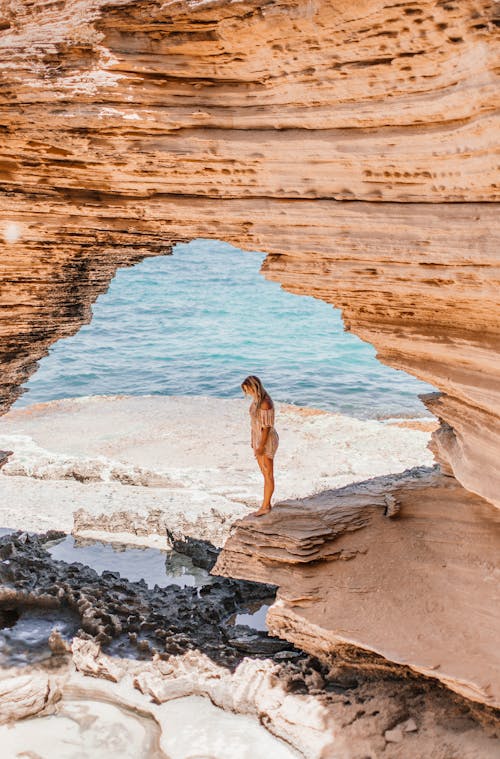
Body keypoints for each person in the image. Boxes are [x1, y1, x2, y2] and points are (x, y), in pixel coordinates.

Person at [241, 375, 279, 516]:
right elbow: (255, 424)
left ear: (254, 387)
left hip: (266, 442)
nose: (247, 393)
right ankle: (265, 504)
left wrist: (261, 446)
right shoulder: (257, 400)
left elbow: (267, 428)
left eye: (248, 390)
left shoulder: (265, 403)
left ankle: (266, 506)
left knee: (268, 474)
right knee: (264, 473)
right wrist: (253, 441)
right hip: (259, 440)